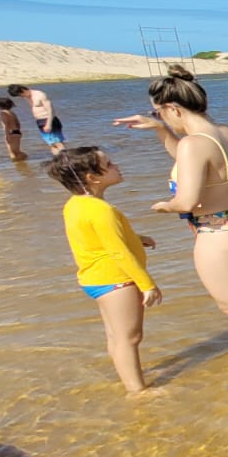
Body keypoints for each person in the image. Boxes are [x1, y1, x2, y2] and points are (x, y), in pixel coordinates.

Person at [112, 65, 228, 369]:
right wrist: (160, 130)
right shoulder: (227, 134)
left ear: (173, 108)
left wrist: (163, 206)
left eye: (159, 113)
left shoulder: (192, 144)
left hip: (220, 235)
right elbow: (195, 162)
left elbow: (187, 201)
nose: (162, 118)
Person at [46, 147, 164, 396]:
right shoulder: (101, 210)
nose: (116, 166)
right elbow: (118, 252)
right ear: (92, 178)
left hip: (95, 279)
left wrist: (136, 238)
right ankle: (137, 390)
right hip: (117, 279)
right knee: (130, 338)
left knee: (116, 336)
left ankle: (128, 377)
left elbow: (95, 238)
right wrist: (147, 284)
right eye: (109, 164)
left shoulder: (75, 205)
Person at [8, 84, 65, 155]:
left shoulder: (39, 94)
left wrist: (49, 124)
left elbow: (50, 110)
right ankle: (57, 159)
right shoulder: (27, 97)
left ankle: (66, 159)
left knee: (57, 142)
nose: (22, 97)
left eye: (21, 95)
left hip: (49, 120)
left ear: (23, 90)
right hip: (40, 121)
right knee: (51, 144)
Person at [0, 97, 28, 161]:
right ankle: (19, 161)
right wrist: (18, 131)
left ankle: (22, 159)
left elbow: (6, 125)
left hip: (11, 133)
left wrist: (7, 135)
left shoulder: (3, 113)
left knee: (12, 151)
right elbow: (18, 123)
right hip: (16, 132)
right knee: (15, 151)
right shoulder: (12, 113)